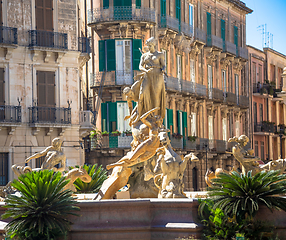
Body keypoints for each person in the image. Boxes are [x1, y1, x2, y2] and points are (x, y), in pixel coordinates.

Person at [137, 37, 166, 121]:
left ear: (154, 45)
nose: (148, 47)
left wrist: (163, 70)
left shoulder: (160, 54)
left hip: (157, 75)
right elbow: (140, 66)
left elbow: (163, 65)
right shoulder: (144, 55)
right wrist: (145, 70)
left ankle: (155, 116)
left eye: (150, 45)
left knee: (156, 95)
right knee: (143, 93)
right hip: (147, 75)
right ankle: (142, 114)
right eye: (148, 45)